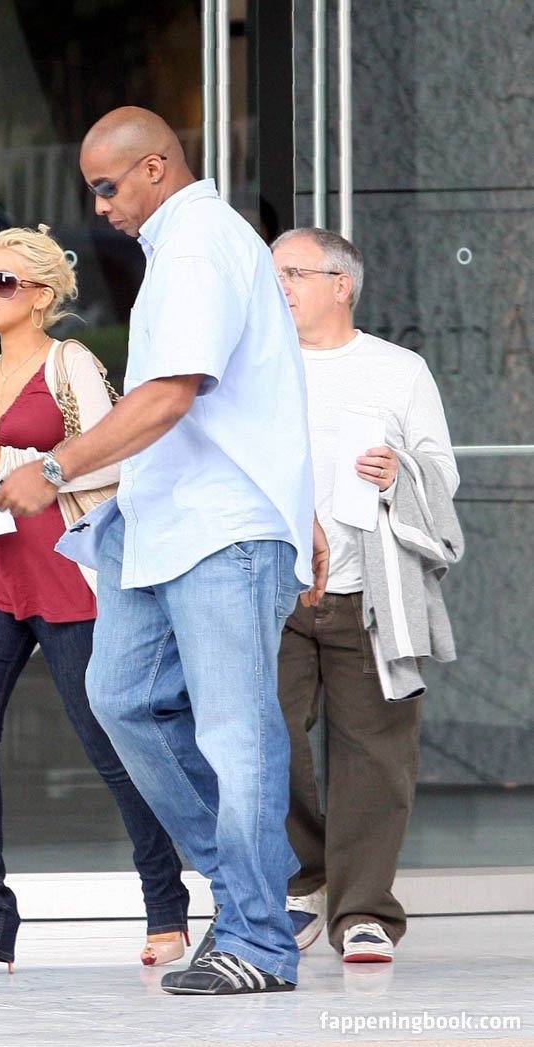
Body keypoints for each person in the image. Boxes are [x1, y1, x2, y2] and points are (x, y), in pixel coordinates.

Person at [0, 108, 328, 996]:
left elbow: (172, 395)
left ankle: (258, 941)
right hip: (162, 525)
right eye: (91, 190)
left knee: (235, 729)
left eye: (107, 187)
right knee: (121, 697)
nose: (99, 206)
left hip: (220, 530)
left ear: (154, 168)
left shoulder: (199, 244)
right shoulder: (182, 248)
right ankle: (253, 893)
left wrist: (54, 468)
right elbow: (263, 395)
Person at [0, 224, 191, 977]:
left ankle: (166, 904)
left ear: (43, 294)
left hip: (67, 573)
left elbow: (118, 460)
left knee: (108, 743)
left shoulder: (69, 361)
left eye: (4, 281)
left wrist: (13, 458)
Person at [271, 227, 461, 963]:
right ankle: (303, 879)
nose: (280, 285)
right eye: (275, 273)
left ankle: (363, 910)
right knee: (267, 739)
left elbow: (441, 470)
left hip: (370, 593)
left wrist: (397, 472)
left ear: (341, 283)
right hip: (276, 588)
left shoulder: (398, 370)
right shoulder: (260, 362)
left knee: (376, 757)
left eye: (294, 272)